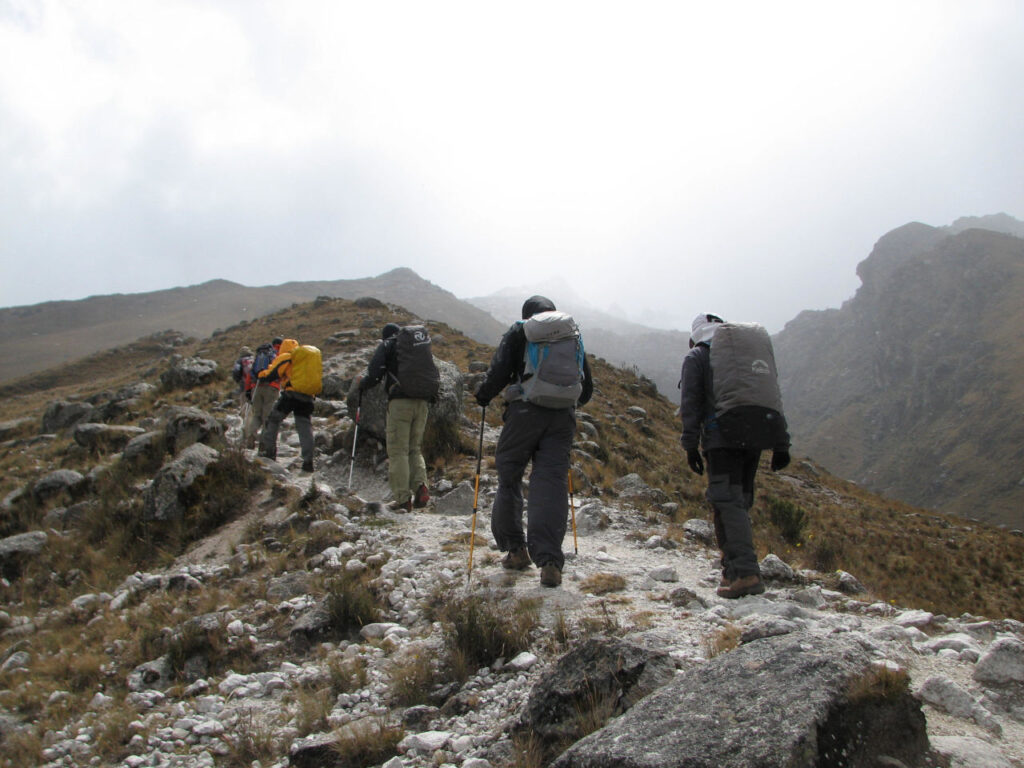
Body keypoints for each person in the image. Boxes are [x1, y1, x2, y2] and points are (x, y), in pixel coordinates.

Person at [474, 296, 593, 588]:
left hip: (524, 414)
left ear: (528, 315)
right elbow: (586, 390)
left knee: (509, 477)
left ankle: (516, 551)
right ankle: (550, 561)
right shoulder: (570, 333)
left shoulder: (521, 330)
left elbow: (499, 371)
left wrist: (483, 395)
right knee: (550, 482)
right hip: (562, 418)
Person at [679, 313, 791, 599]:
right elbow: (770, 393)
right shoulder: (741, 357)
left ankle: (745, 573)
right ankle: (732, 570)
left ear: (695, 335)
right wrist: (781, 443)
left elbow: (691, 402)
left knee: (726, 501)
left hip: (722, 438)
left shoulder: (698, 355)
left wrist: (690, 444)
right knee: (739, 502)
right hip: (755, 434)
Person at [358, 323, 435, 512]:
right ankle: (421, 487)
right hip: (422, 402)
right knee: (414, 449)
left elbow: (375, 374)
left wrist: (362, 385)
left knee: (398, 451)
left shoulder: (387, 345)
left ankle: (402, 499)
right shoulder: (416, 347)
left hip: (400, 403)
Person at [258, 338, 316, 472]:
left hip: (291, 395)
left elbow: (272, 373)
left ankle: (269, 453)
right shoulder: (305, 358)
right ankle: (308, 462)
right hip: (308, 396)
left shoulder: (286, 356)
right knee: (304, 427)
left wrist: (261, 374)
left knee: (273, 419)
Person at [243, 337, 282, 449]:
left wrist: (248, 390)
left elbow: (250, 375)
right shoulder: (276, 356)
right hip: (271, 388)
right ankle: (264, 444)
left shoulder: (258, 357)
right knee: (267, 416)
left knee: (256, 416)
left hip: (256, 387)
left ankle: (251, 436)